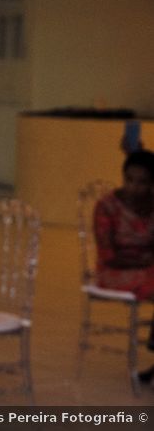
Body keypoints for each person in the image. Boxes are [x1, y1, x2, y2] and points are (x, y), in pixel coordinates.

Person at [93, 149, 154, 382]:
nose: (134, 187)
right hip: (116, 271)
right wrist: (144, 261)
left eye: (142, 182)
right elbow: (108, 255)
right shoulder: (107, 206)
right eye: (129, 180)